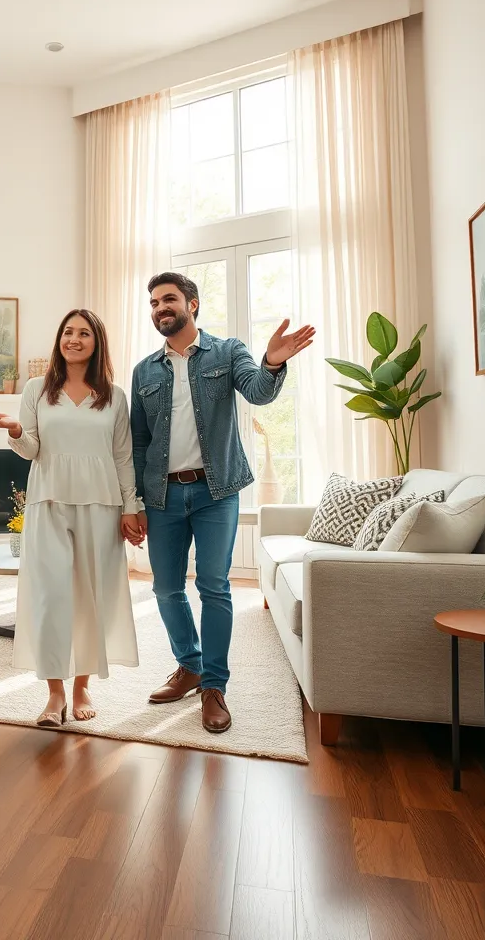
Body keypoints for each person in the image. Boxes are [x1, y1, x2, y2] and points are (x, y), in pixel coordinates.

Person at [132, 272, 314, 733]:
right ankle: (188, 665)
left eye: (168, 299)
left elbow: (258, 391)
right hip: (162, 495)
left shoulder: (227, 351)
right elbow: (138, 443)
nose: (160, 308)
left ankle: (214, 685)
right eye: (153, 302)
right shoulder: (144, 371)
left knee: (213, 586)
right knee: (166, 588)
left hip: (216, 492)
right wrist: (133, 501)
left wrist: (273, 361)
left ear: (192, 304)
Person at [0, 310, 144, 726]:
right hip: (48, 501)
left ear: (97, 341)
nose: (74, 339)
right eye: (68, 332)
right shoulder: (38, 389)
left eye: (84, 333)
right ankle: (54, 693)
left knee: (91, 596)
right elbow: (32, 450)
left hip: (102, 503)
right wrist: (17, 431)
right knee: (51, 595)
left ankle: (82, 685)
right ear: (59, 340)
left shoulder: (114, 395)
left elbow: (123, 456)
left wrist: (131, 507)